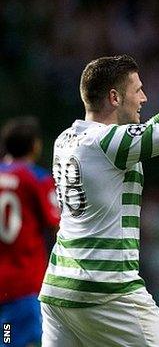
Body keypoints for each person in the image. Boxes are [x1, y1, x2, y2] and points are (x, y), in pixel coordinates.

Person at [37, 17, 159, 346]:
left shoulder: (68, 138)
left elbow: (156, 125)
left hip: (59, 289)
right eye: (138, 90)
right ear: (115, 98)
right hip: (106, 290)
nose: (144, 97)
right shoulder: (110, 144)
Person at [0, 117, 60, 347]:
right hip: (21, 282)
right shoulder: (36, 179)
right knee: (13, 340)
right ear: (35, 145)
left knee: (5, 337)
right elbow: (57, 224)